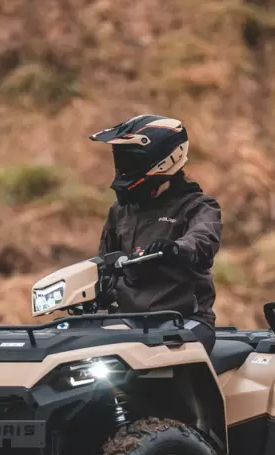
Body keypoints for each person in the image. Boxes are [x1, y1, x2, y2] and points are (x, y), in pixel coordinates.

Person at [91, 114, 221, 354]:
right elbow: (104, 263)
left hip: (185, 320)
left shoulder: (199, 207)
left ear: (164, 160)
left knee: (164, 368)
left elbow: (203, 241)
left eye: (132, 160)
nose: (123, 167)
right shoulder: (121, 211)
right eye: (121, 160)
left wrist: (174, 249)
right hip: (129, 321)